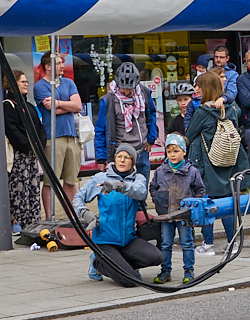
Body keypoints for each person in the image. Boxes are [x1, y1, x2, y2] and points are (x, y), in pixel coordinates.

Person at [73, 146, 162, 286]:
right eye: (119, 156)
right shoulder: (101, 177)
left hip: (128, 240)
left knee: (157, 257)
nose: (122, 160)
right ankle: (98, 263)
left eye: (127, 157)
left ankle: (122, 266)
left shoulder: (138, 178)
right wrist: (86, 214)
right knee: (130, 281)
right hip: (105, 240)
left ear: (133, 162)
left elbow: (140, 192)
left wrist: (119, 185)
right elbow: (77, 199)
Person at [186, 71, 249, 253]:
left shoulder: (202, 112)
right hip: (228, 162)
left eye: (199, 85)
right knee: (227, 204)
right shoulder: (230, 109)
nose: (195, 88)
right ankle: (232, 243)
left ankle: (208, 244)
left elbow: (189, 135)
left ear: (206, 88)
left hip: (207, 165)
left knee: (207, 204)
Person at [150, 133, 205, 285]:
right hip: (166, 215)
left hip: (184, 215)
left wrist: (192, 206)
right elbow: (153, 187)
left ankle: (189, 271)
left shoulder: (192, 171)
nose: (172, 155)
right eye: (169, 151)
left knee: (186, 243)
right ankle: (165, 271)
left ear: (184, 152)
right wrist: (158, 201)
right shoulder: (160, 170)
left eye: (176, 151)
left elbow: (200, 190)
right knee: (166, 243)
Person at [33, 51, 82, 219]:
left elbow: (78, 106)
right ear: (48, 67)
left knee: (70, 180)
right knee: (50, 180)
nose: (62, 65)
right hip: (53, 138)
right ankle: (49, 217)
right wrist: (65, 106)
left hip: (72, 137)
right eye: (59, 63)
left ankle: (73, 217)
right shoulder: (40, 86)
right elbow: (50, 109)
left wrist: (59, 103)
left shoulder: (69, 82)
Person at [95, 61, 155, 179]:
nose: (127, 92)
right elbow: (100, 130)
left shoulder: (144, 94)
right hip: (120, 154)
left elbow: (151, 114)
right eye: (124, 89)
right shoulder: (108, 100)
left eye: (130, 89)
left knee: (141, 191)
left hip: (141, 151)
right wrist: (101, 158)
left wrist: (151, 139)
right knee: (123, 192)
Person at [3, 70, 46, 234]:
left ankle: (34, 221)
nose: (26, 84)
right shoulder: (8, 105)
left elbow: (41, 127)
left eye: (26, 81)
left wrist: (39, 145)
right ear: (13, 83)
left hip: (32, 154)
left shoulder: (30, 106)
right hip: (19, 155)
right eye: (23, 81)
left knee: (33, 187)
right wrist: (28, 145)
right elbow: (12, 130)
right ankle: (18, 220)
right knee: (19, 188)